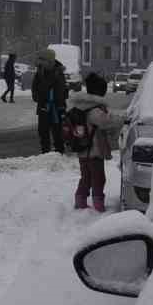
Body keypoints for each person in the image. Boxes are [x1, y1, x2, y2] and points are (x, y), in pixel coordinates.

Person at [66, 72, 113, 211]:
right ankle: (98, 205)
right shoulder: (94, 110)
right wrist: (118, 116)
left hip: (82, 150)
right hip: (94, 151)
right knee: (98, 178)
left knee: (85, 177)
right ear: (99, 93)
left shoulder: (80, 106)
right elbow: (106, 122)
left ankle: (80, 201)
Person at [30, 46, 69, 154]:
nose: (40, 63)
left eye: (42, 60)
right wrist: (39, 97)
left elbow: (62, 92)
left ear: (49, 61)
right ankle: (45, 154)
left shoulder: (58, 73)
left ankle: (59, 154)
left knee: (58, 133)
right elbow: (35, 91)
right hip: (43, 108)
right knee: (43, 133)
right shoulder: (40, 73)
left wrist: (59, 105)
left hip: (57, 109)